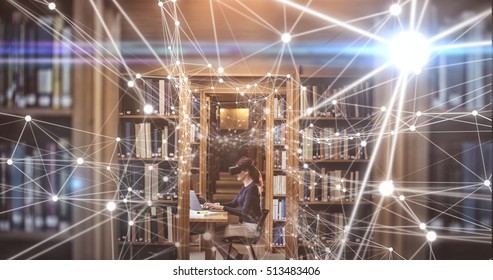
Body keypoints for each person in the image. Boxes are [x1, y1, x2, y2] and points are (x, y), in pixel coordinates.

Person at [203, 156, 263, 260]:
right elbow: (234, 203)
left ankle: (236, 258)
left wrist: (222, 207)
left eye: (238, 171)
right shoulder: (245, 186)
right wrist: (216, 204)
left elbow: (244, 212)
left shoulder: (252, 188)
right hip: (245, 225)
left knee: (214, 236)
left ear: (246, 171)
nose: (236, 174)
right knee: (214, 234)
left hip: (250, 229)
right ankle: (237, 257)